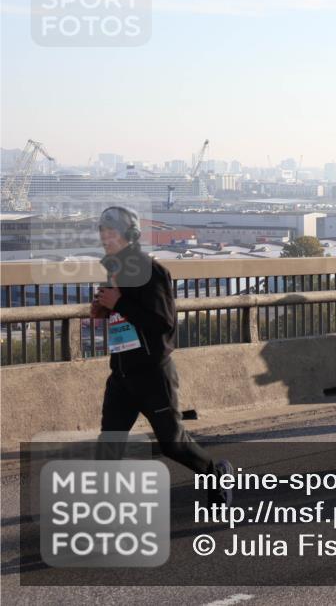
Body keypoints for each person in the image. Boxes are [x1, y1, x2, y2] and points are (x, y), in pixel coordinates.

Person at [92, 206, 233, 504]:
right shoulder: (114, 270)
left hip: (152, 374)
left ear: (129, 235)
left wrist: (119, 303)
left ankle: (215, 472)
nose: (105, 237)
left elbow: (163, 322)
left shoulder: (151, 271)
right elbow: (120, 314)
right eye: (102, 231)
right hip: (121, 374)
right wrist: (103, 308)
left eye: (111, 231)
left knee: (173, 444)